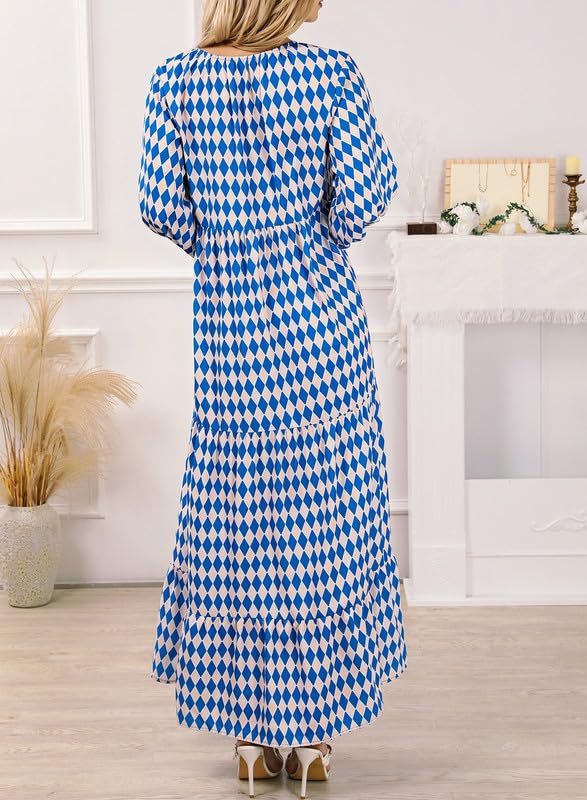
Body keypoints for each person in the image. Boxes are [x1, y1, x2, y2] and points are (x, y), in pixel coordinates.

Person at [138, 1, 408, 797]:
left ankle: (254, 740)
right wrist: (302, 234)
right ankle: (314, 738)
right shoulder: (330, 74)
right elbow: (360, 204)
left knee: (241, 527)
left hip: (232, 340)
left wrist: (231, 242)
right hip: (322, 334)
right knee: (324, 527)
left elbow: (161, 208)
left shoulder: (175, 82)